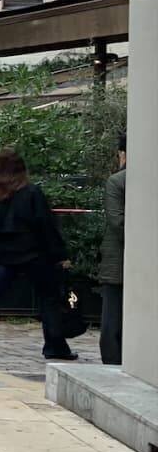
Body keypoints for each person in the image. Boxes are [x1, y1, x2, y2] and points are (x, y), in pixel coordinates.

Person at [0, 148, 78, 361]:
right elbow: (45, 226)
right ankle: (55, 346)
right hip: (33, 254)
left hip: (4, 253)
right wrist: (59, 254)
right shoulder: (31, 193)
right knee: (48, 298)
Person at [100, 134, 126, 366]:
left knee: (112, 318)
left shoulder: (117, 181)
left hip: (117, 260)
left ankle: (112, 361)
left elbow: (117, 223)